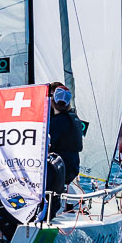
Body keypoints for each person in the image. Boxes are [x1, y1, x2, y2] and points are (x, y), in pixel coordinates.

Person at [45, 86, 83, 217]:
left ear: (52, 102)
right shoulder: (75, 119)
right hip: (72, 168)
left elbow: (47, 146)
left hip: (58, 172)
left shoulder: (56, 122)